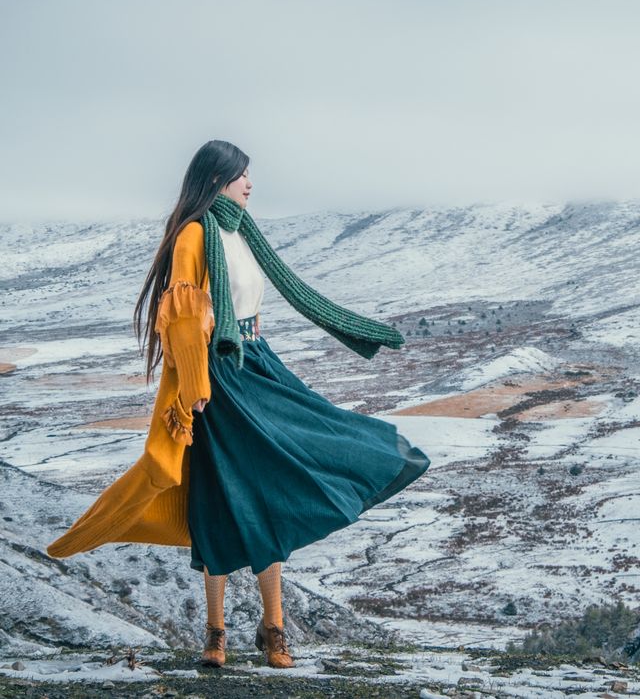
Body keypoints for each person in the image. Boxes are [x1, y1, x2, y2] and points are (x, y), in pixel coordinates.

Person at [46, 139, 431, 669]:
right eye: (242, 174)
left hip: (255, 364)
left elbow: (253, 304)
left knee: (272, 489)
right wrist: (195, 391)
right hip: (216, 380)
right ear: (216, 179)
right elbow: (181, 312)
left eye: (250, 174)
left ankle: (272, 626)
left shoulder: (242, 231)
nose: (250, 183)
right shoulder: (194, 234)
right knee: (219, 501)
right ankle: (216, 632)